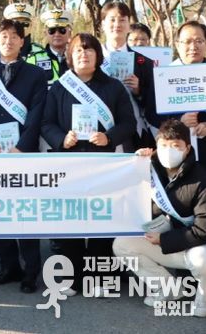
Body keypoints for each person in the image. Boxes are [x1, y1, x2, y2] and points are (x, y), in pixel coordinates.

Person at [41, 33, 135, 295]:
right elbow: (46, 123)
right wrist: (62, 138)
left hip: (103, 165)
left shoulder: (113, 87)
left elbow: (128, 123)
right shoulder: (59, 88)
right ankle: (70, 277)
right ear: (70, 56)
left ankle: (100, 278)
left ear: (98, 55)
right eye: (78, 50)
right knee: (69, 221)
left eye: (89, 49)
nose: (84, 54)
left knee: (101, 222)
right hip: (69, 165)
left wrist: (109, 137)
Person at [113, 119, 206, 317]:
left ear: (187, 149)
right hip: (171, 242)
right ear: (156, 146)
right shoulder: (150, 168)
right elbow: (125, 190)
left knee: (202, 259)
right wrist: (135, 163)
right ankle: (168, 288)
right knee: (122, 244)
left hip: (202, 246)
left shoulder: (204, 181)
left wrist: (164, 239)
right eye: (164, 145)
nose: (169, 151)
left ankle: (203, 296)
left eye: (176, 146)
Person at [0, 20, 48, 294]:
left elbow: (37, 114)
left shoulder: (36, 74)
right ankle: (8, 267)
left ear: (22, 41)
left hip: (23, 154)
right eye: (3, 36)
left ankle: (31, 272)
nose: (8, 41)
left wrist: (22, 146)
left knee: (24, 213)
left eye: (14, 37)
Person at [99, 1, 159, 149]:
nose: (117, 24)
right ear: (103, 24)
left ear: (128, 25)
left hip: (134, 133)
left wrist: (138, 90)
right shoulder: (91, 59)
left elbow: (153, 102)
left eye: (122, 20)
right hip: (99, 131)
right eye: (112, 19)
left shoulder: (144, 62)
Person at [169, 21, 206, 174]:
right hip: (176, 152)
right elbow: (151, 114)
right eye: (187, 41)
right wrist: (178, 121)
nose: (193, 46)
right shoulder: (164, 76)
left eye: (199, 41)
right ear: (177, 45)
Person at [26, 9, 72, 85]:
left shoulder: (78, 58)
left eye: (62, 30)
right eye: (52, 30)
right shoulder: (33, 59)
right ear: (45, 33)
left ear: (70, 33)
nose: (57, 34)